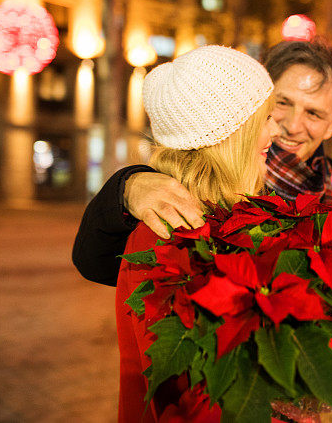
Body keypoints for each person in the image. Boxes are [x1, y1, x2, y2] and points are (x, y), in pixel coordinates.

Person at [75, 39, 332, 422]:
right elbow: (188, 371)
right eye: (280, 105)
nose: (290, 126)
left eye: (313, 113)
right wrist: (128, 186)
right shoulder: (180, 208)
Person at [116, 45, 278, 421]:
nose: (274, 132)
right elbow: (181, 386)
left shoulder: (233, 211)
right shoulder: (167, 230)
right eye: (264, 119)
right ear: (229, 133)